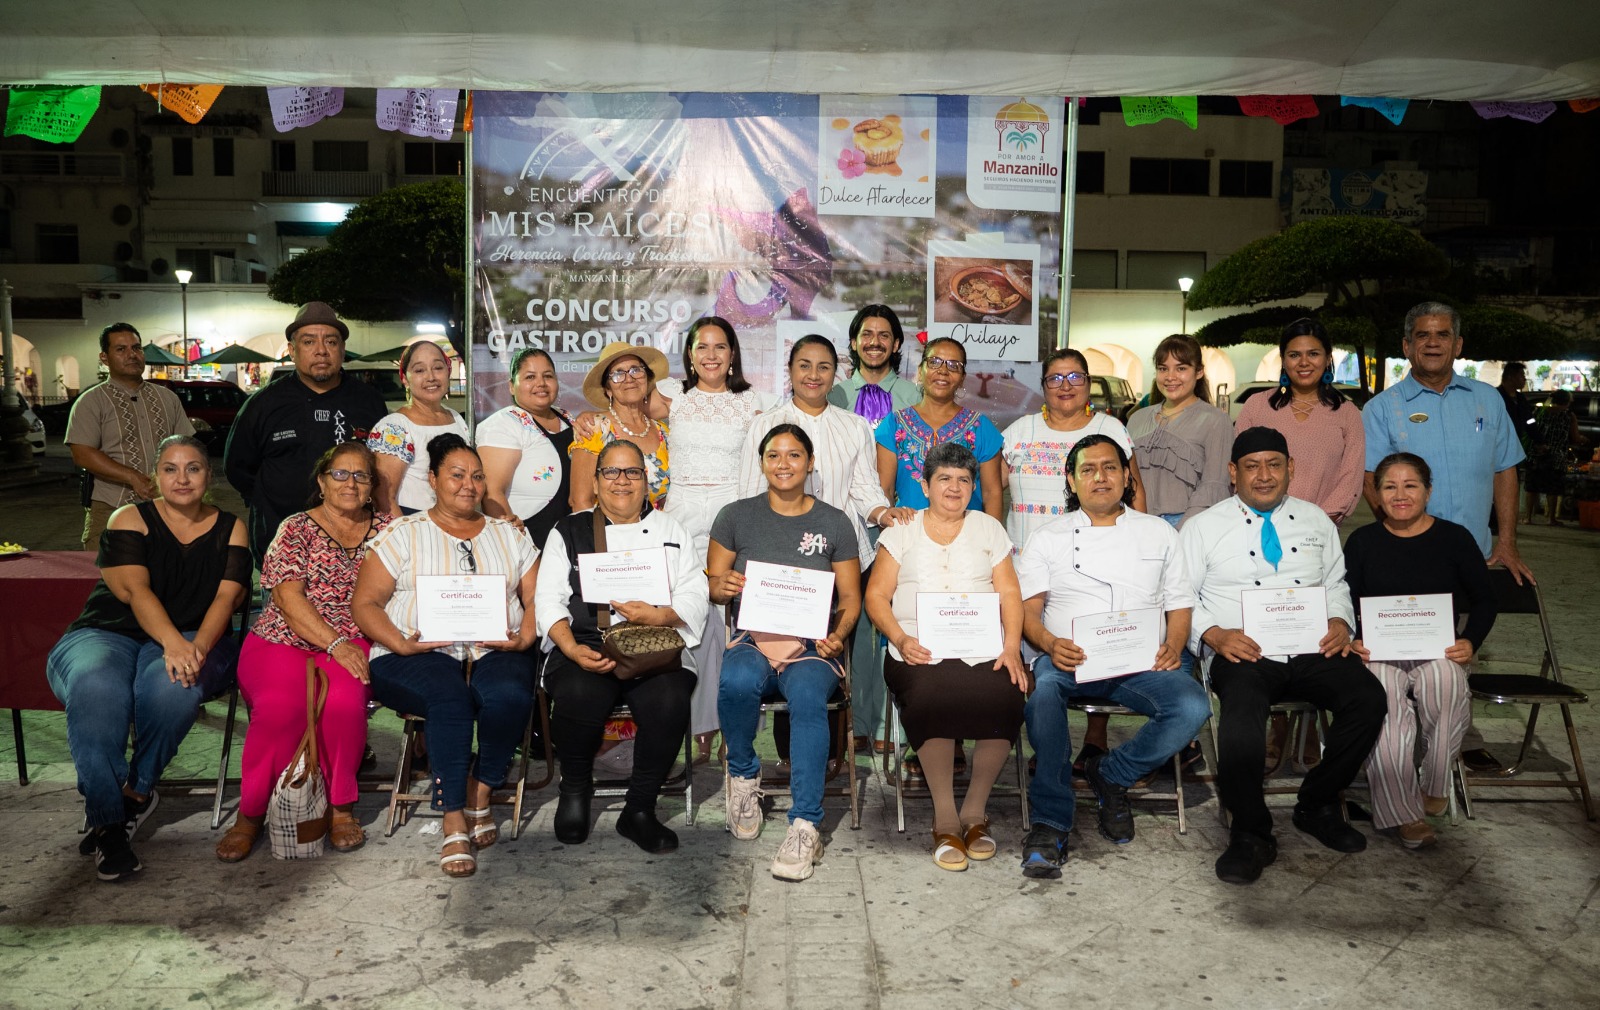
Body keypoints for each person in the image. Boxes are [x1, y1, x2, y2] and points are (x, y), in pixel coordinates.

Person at [1180, 426, 1387, 885]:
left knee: (1368, 699)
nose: (1264, 475)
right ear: (1233, 472)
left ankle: (1317, 803)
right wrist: (1213, 634)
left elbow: (1335, 584)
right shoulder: (1202, 527)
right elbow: (1180, 597)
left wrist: (1340, 621)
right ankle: (1250, 832)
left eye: (1274, 464)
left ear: (1291, 468)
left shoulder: (1317, 522)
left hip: (1311, 645)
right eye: (1251, 466)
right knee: (1241, 717)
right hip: (1244, 651)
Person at [45, 435, 250, 881]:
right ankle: (108, 821)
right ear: (155, 476)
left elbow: (227, 597)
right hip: (107, 630)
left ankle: (136, 792)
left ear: (208, 476)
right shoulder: (128, 517)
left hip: (195, 632)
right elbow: (133, 590)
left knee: (173, 687)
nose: (182, 478)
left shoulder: (231, 526)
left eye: (193, 468)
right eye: (170, 469)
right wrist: (172, 643)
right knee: (96, 687)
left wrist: (195, 648)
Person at [1014, 435, 1211, 876]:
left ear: (1126, 476)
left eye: (1109, 467)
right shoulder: (1047, 537)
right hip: (1069, 659)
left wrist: (1174, 644)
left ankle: (1113, 773)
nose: (1099, 477)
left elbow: (1180, 603)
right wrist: (1050, 643)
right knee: (1042, 696)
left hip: (1138, 663)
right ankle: (1050, 821)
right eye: (1087, 469)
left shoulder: (1159, 533)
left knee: (1192, 706)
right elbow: (1028, 612)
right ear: (1071, 480)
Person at [351, 434, 539, 878]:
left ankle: (481, 789)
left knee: (510, 694)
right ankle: (453, 814)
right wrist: (399, 642)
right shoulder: (402, 534)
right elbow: (365, 604)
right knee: (449, 698)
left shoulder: (509, 535)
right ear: (433, 480)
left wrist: (525, 637)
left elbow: (536, 597)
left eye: (477, 476)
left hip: (495, 648)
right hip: (413, 651)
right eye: (456, 475)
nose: (468, 485)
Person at [216, 441, 394, 862]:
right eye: (340, 474)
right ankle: (250, 814)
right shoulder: (296, 527)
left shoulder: (389, 530)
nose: (350, 483)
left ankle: (340, 808)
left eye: (361, 475)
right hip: (283, 638)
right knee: (280, 709)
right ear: (321, 481)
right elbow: (288, 598)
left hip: (355, 640)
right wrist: (334, 643)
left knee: (344, 704)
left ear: (372, 486)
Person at [739, 335, 914, 753]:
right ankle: (792, 753)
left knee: (830, 650)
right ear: (790, 370)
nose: (813, 375)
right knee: (787, 649)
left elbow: (864, 488)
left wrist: (883, 513)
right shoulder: (765, 424)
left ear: (837, 373)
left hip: (839, 560)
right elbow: (748, 494)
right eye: (804, 365)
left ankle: (830, 750)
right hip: (782, 562)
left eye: (823, 367)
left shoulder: (853, 426)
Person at [534, 440, 708, 854]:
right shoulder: (569, 530)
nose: (622, 481)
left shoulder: (670, 529)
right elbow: (548, 598)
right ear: (595, 482)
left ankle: (640, 809)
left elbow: (695, 592)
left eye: (632, 472)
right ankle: (575, 789)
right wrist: (570, 649)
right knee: (578, 693)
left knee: (670, 700)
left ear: (647, 481)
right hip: (585, 642)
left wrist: (661, 616)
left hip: (654, 643)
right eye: (611, 472)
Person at [864, 441, 1026, 872]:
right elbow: (876, 596)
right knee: (931, 696)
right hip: (918, 647)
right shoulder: (901, 531)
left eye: (964, 480)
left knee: (1007, 693)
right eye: (944, 479)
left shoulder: (989, 528)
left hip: (984, 647)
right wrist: (900, 639)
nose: (954, 488)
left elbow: (1010, 592)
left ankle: (974, 811)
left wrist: (1011, 646)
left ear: (973, 487)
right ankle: (945, 817)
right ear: (925, 485)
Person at [715, 425, 863, 880]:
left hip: (813, 644)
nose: (784, 464)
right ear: (762, 462)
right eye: (774, 455)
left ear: (810, 462)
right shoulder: (735, 516)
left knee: (808, 697)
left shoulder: (835, 522)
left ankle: (805, 824)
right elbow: (715, 587)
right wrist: (723, 586)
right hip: (753, 638)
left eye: (794, 455)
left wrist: (838, 633)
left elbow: (851, 598)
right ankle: (743, 776)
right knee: (736, 679)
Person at [1344, 452, 1496, 850]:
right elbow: (1345, 601)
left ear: (1428, 491)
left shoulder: (1455, 539)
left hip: (1438, 649)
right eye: (1389, 487)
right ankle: (1406, 815)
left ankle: (1434, 781)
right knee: (1383, 704)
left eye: (1410, 485)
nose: (1400, 495)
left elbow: (1485, 600)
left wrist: (1471, 641)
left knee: (1445, 681)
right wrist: (1352, 638)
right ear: (1377, 495)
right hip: (1379, 653)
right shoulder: (1362, 542)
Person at [648, 317, 775, 761]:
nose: (711, 355)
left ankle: (737, 728)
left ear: (733, 353)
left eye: (720, 347)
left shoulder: (754, 402)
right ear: (689, 354)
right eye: (702, 347)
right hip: (681, 514)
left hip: (731, 513)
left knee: (736, 623)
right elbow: (619, 405)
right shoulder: (670, 395)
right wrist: (588, 419)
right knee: (692, 620)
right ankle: (699, 725)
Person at [1362, 302, 1531, 583]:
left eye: (1443, 335)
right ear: (1406, 346)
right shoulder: (1380, 409)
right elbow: (1370, 482)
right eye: (1422, 335)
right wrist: (1400, 537)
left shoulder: (1488, 399)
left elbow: (1504, 471)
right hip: (1410, 559)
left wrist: (1507, 543)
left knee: (1474, 614)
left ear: (1458, 345)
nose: (1433, 343)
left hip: (1479, 558)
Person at [226, 302, 388, 566]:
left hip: (356, 550)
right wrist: (270, 501)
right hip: (282, 549)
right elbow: (238, 468)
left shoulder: (369, 401)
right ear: (292, 350)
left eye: (331, 342)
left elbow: (381, 466)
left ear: (342, 349)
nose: (321, 350)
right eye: (309, 341)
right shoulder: (263, 404)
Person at [1002, 348, 1146, 551]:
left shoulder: (1111, 429)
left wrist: (1142, 546)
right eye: (1055, 379)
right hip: (1027, 560)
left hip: (1096, 556)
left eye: (1075, 377)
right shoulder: (1019, 431)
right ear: (1043, 386)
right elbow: (989, 491)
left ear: (1088, 382)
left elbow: (1135, 494)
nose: (1066, 386)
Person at [66, 323, 194, 548]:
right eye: (121, 349)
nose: (132, 355)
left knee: (169, 569)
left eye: (136, 348)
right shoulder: (91, 401)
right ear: (104, 358)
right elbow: (82, 454)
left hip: (167, 508)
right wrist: (132, 477)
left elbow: (186, 447)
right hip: (111, 507)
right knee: (109, 569)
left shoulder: (167, 398)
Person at [1235, 318, 1365, 527]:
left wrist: (1315, 523)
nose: (1304, 362)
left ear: (1327, 358)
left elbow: (1351, 480)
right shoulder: (1256, 406)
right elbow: (1239, 471)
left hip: (1320, 530)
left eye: (1313, 354)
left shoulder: (1347, 413)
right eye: (1294, 355)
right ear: (1283, 360)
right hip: (1259, 527)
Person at [876, 337, 1003, 519]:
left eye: (953, 365)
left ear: (962, 378)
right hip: (909, 531)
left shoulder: (981, 427)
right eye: (934, 362)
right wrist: (890, 532)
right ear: (920, 371)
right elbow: (885, 491)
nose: (943, 371)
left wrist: (993, 535)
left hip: (967, 533)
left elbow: (992, 494)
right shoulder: (894, 424)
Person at [1125, 334, 1234, 529]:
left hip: (1188, 526)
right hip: (1137, 525)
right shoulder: (1137, 419)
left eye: (1181, 368)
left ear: (1199, 372)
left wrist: (1181, 533)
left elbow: (1214, 486)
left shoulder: (1216, 421)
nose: (1170, 377)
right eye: (1163, 369)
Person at [478, 347, 575, 549]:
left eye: (548, 376)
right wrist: (514, 544)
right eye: (530, 377)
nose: (541, 383)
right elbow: (492, 493)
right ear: (512, 386)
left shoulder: (568, 419)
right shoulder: (503, 424)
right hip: (527, 541)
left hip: (570, 538)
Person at [368, 341, 468, 515]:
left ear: (448, 371)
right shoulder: (394, 427)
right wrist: (406, 530)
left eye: (438, 368)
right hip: (414, 520)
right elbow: (383, 497)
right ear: (405, 379)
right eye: (420, 370)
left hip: (457, 520)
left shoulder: (456, 417)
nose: (431, 377)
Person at [569, 342, 671, 511]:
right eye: (618, 374)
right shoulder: (594, 428)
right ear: (608, 389)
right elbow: (580, 501)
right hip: (608, 527)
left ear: (647, 379)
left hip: (660, 526)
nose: (629, 379)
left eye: (636, 370)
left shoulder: (663, 431)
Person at [828, 304, 921, 422]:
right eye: (867, 334)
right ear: (854, 343)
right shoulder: (834, 397)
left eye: (884, 336)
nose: (875, 342)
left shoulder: (916, 398)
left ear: (895, 345)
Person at [1524, 390, 1586, 525]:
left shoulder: (1539, 411)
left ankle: (1528, 517)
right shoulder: (1568, 415)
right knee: (1552, 488)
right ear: (1566, 401)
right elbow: (1575, 437)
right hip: (1556, 456)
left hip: (1536, 453)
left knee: (1532, 486)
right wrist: (1583, 440)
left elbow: (1529, 429)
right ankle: (1551, 519)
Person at [1496, 362, 1537, 447]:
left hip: (1517, 445)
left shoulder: (1521, 398)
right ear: (1510, 377)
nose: (1525, 379)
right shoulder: (1496, 396)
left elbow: (1529, 421)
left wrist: (1539, 441)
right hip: (1500, 446)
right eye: (1521, 375)